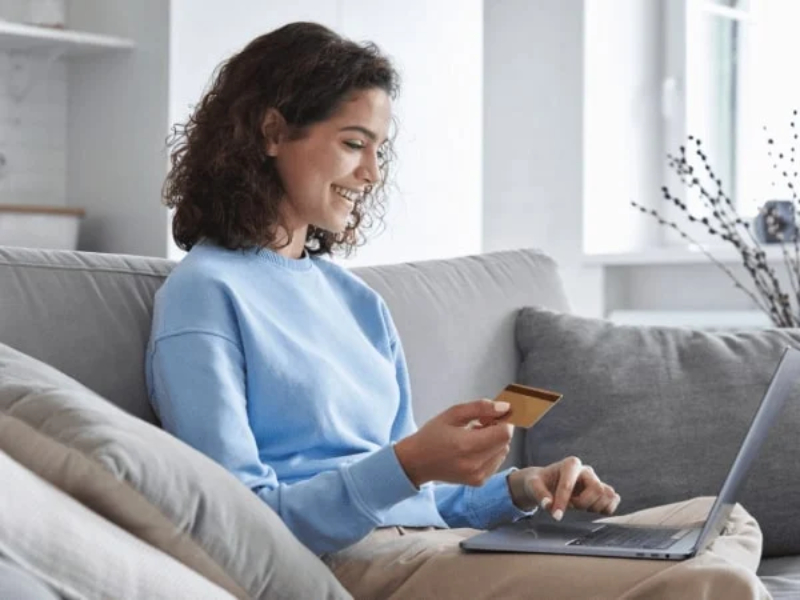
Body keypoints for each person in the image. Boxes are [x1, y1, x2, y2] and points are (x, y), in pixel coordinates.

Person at [147, 22, 769, 599]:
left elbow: (423, 500)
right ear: (273, 132)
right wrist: (408, 463)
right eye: (353, 144)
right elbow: (238, 521)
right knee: (710, 580)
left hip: (431, 544)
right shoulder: (205, 293)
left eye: (378, 150)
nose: (370, 173)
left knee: (717, 523)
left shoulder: (357, 303)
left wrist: (524, 488)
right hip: (346, 562)